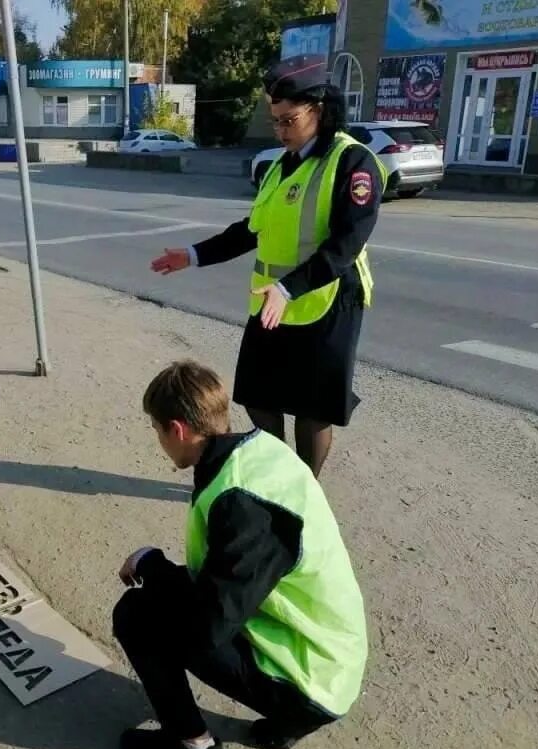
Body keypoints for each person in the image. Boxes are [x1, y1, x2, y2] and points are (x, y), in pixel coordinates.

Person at [113, 361, 368, 749]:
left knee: (137, 614)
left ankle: (194, 747)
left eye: (157, 431)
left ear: (176, 429)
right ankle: (284, 726)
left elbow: (209, 626)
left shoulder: (242, 504)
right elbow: (232, 582)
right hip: (330, 657)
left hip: (311, 682)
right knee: (181, 601)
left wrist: (152, 567)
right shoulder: (262, 453)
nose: (159, 441)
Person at [152, 54, 386, 478]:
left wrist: (289, 288)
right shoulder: (280, 165)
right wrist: (193, 254)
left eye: (288, 120)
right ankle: (279, 476)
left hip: (328, 299)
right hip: (272, 299)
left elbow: (346, 243)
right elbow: (251, 229)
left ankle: (303, 492)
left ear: (318, 110)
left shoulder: (352, 162)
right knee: (259, 396)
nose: (279, 131)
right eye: (275, 121)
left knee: (312, 411)